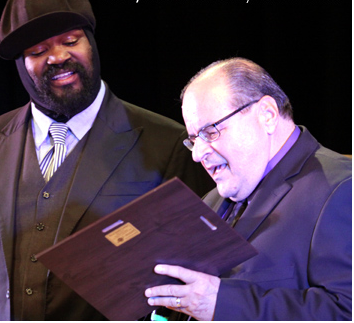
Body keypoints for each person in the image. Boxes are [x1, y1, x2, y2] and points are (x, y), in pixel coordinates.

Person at [0, 0, 213, 321]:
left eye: (70, 41)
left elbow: (191, 279)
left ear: (91, 43)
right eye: (38, 50)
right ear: (20, 63)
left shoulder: (168, 144)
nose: (58, 57)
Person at [145, 57, 352, 320]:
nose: (197, 155)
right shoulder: (210, 202)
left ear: (267, 115)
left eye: (210, 132)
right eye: (194, 139)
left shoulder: (342, 190)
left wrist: (220, 304)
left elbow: (345, 310)